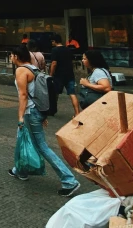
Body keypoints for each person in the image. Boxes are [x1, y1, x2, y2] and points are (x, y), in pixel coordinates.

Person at [10, 44, 80, 197]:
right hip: (37, 111)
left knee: (42, 147)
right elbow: (40, 93)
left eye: (11, 55)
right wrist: (43, 115)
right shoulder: (34, 69)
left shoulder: (21, 71)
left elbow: (23, 95)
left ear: (16, 56)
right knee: (21, 137)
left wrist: (21, 116)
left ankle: (69, 180)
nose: (10, 58)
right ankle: (20, 169)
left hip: (30, 112)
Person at [49, 34, 79, 116]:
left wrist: (51, 74)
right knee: (72, 93)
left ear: (54, 41)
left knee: (55, 93)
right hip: (69, 74)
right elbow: (72, 62)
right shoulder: (68, 49)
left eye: (52, 41)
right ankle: (77, 112)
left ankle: (52, 110)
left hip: (59, 75)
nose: (51, 43)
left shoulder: (55, 50)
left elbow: (54, 63)